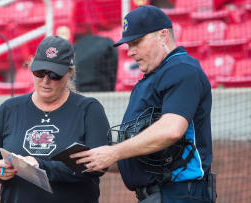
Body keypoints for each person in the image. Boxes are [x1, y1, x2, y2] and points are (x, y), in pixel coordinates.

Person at [71, 5, 214, 203]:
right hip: (159, 194)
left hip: (180, 193)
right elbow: (145, 152)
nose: (130, 52)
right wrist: (94, 158)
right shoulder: (151, 78)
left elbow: (171, 130)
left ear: (163, 36)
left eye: (136, 42)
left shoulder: (182, 69)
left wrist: (113, 152)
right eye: (128, 45)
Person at [0, 36, 110, 203]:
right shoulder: (9, 109)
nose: (46, 81)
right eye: (39, 72)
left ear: (69, 73)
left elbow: (98, 165)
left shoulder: (88, 109)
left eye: (54, 75)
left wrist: (41, 166)